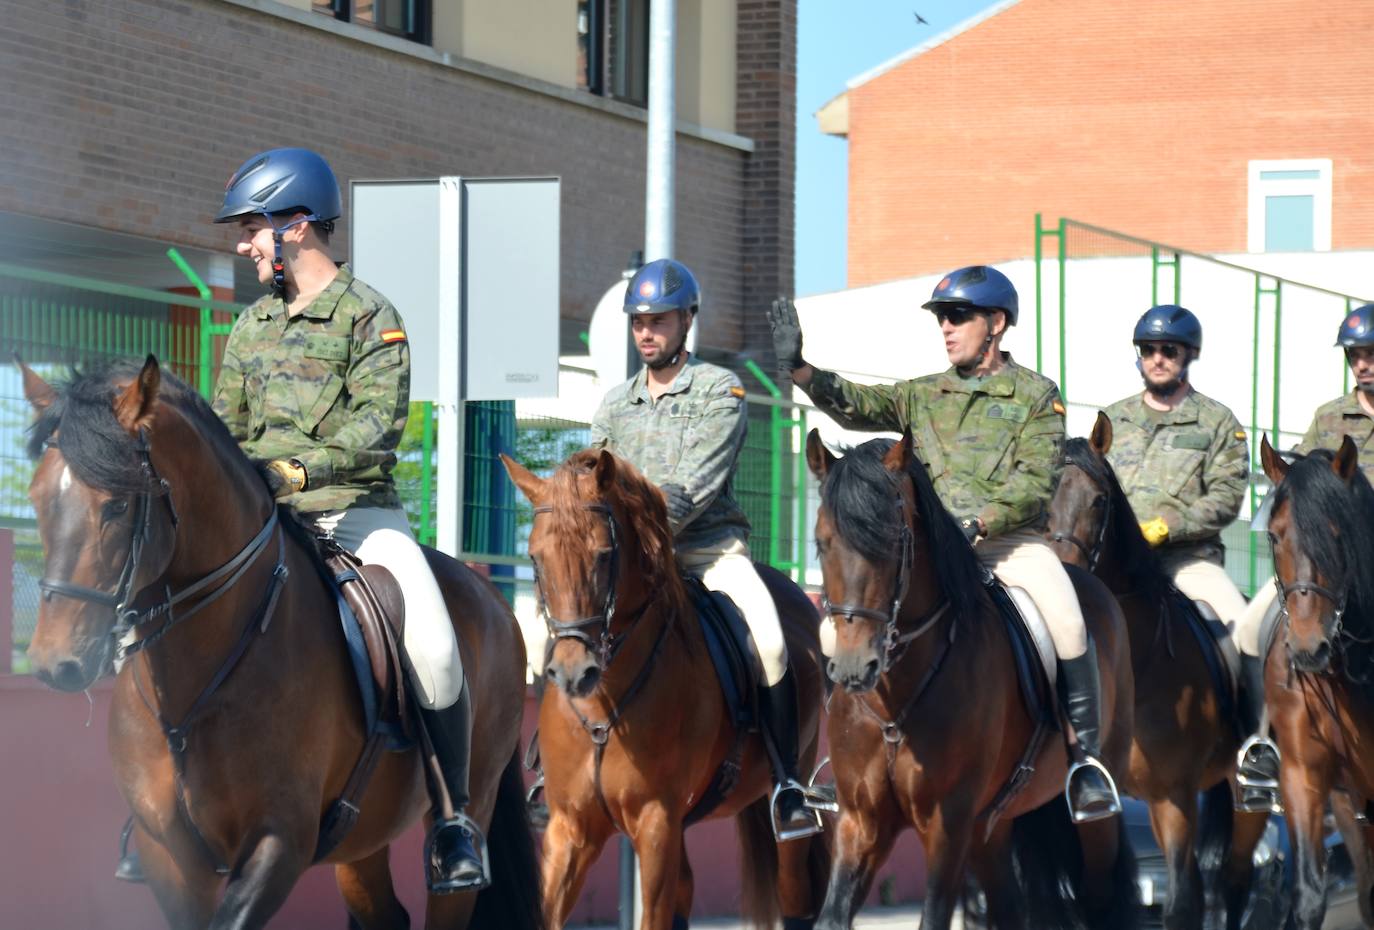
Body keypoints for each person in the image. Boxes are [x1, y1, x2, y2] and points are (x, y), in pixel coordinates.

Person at [208, 147, 484, 891]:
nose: (244, 244)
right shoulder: (250, 328)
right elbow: (225, 430)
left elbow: (378, 429)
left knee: (432, 646)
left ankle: (455, 820)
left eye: (253, 229)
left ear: (297, 226)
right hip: (267, 523)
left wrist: (300, 471)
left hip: (356, 515)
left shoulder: (371, 317)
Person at [767, 265, 1121, 823]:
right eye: (942, 319)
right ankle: (836, 767)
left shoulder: (1036, 395)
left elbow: (1037, 481)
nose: (947, 329)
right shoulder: (924, 393)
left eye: (958, 317)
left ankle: (1084, 764)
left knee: (1071, 623)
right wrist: (802, 371)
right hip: (931, 553)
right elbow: (856, 404)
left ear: (997, 324)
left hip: (1008, 546)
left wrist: (982, 522)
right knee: (841, 634)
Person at [589, 258, 822, 840]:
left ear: (687, 320)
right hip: (632, 565)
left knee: (769, 640)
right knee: (565, 632)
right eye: (638, 321)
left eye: (659, 320)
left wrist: (636, 520)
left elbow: (696, 484)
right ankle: (551, 770)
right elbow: (591, 478)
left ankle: (789, 783)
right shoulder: (614, 404)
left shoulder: (721, 389)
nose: (646, 331)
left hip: (708, 553)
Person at [1097, 305, 1270, 810]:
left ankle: (1253, 746)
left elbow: (1225, 497)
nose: (1157, 358)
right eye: (1148, 350)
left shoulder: (1217, 421)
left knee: (1243, 630)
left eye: (1168, 350)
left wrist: (1167, 527)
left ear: (1188, 355)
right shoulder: (1115, 418)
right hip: (1121, 570)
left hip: (1187, 564)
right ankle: (1069, 747)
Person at [1230, 302, 1374, 810]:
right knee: (1250, 628)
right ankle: (1262, 743)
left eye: (1371, 353)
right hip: (1330, 563)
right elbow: (1303, 479)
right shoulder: (1329, 417)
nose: (1364, 363)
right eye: (1357, 355)